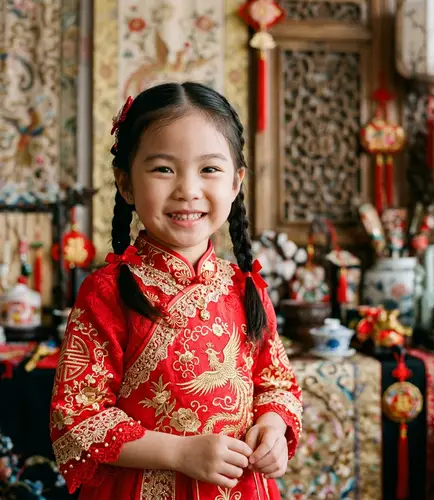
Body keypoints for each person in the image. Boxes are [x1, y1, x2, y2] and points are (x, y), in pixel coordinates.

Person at [49, 82, 303, 499]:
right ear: (126, 183)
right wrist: (179, 453)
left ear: (236, 183)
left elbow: (276, 383)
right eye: (164, 168)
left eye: (209, 169)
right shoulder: (106, 292)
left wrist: (274, 426)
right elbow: (77, 419)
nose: (188, 189)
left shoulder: (246, 287)